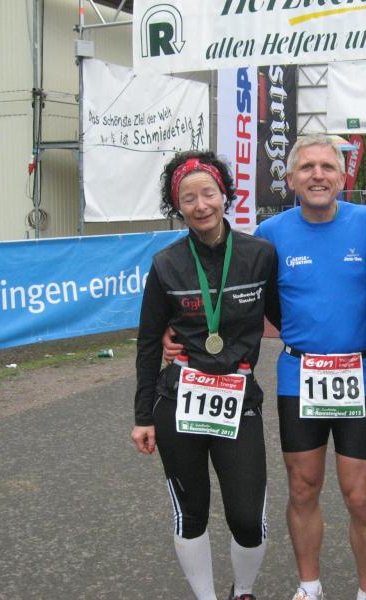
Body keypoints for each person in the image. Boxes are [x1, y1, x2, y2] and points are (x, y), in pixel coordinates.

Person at [162, 135, 366, 600]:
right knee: (303, 488)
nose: (318, 175)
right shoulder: (271, 235)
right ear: (290, 179)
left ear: (342, 176)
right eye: (307, 167)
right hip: (301, 376)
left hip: (363, 377)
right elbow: (233, 294)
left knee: (359, 494)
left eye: (328, 167)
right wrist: (175, 328)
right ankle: (309, 586)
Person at [131, 150, 279, 600]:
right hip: (179, 400)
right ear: (177, 206)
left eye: (208, 194)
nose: (200, 206)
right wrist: (143, 416)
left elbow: (287, 316)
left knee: (248, 519)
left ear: (225, 195)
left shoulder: (260, 255)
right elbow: (148, 341)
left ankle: (243, 592)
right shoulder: (166, 264)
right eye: (188, 198)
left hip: (238, 397)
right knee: (191, 513)